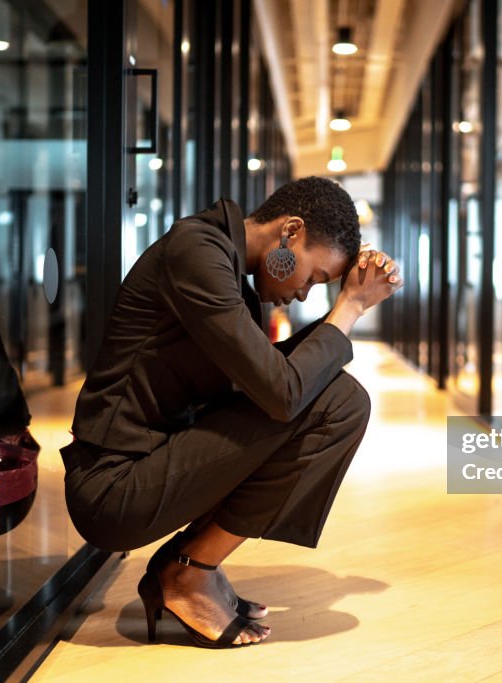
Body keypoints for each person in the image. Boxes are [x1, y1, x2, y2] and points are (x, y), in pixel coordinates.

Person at [60, 177, 402, 649]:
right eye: (315, 277)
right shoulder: (197, 255)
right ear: (290, 232)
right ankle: (188, 573)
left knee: (340, 399)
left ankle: (190, 564)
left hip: (153, 463)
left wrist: (347, 302)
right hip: (113, 487)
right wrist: (351, 307)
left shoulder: (225, 269)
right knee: (337, 402)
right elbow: (283, 394)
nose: (304, 293)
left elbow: (272, 384)